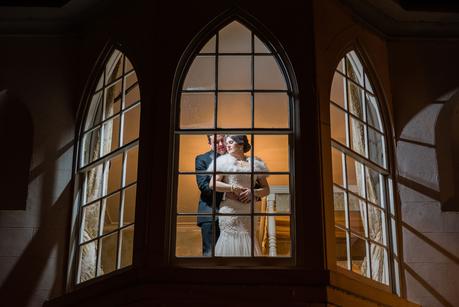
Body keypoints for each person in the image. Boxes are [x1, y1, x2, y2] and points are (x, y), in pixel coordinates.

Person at [208, 135, 270, 256]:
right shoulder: (224, 161)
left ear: (241, 144)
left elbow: (267, 189)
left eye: (231, 142)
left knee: (249, 240)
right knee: (229, 241)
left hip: (248, 211)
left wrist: (254, 192)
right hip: (230, 210)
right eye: (227, 143)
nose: (227, 145)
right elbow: (212, 184)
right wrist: (232, 188)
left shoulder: (256, 163)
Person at [195, 134, 226, 256]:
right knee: (210, 256)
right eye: (216, 142)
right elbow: (204, 187)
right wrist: (232, 190)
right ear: (209, 144)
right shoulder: (202, 159)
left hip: (234, 215)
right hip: (210, 213)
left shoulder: (237, 159)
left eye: (222, 140)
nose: (221, 144)